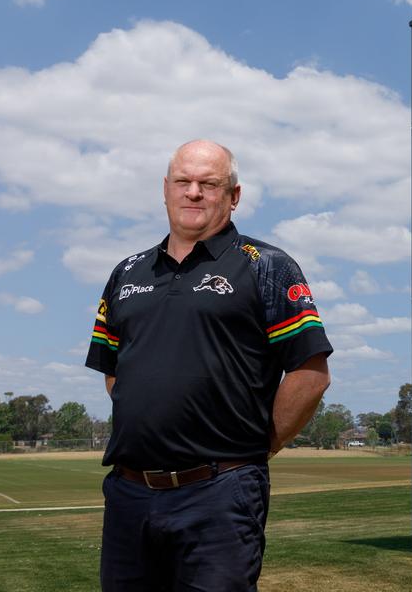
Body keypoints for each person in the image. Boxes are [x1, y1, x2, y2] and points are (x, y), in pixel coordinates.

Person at [85, 139, 332, 591]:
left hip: (220, 493)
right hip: (129, 494)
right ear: (165, 189)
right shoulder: (127, 273)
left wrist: (257, 449)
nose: (193, 192)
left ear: (233, 195)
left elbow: (310, 374)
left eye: (209, 183)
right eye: (183, 181)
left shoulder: (268, 266)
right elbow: (115, 370)